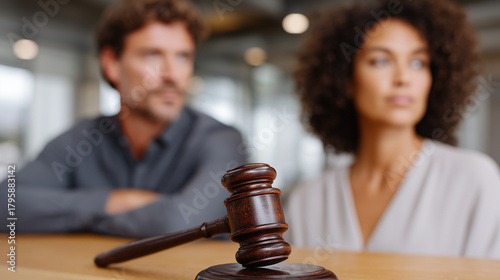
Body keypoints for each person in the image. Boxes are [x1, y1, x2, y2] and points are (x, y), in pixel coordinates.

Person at [0, 0, 246, 238]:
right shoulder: (82, 139)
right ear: (111, 64)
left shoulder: (221, 140)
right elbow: (5, 204)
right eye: (153, 55)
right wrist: (115, 200)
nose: (172, 74)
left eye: (183, 56)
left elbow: (178, 222)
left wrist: (78, 214)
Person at [286, 0, 500, 259]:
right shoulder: (306, 200)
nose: (403, 78)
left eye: (419, 63)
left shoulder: (474, 180)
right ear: (346, 80)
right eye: (380, 61)